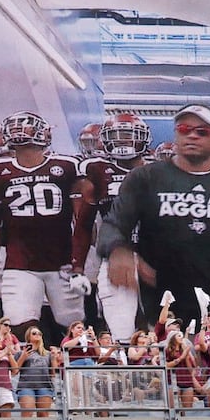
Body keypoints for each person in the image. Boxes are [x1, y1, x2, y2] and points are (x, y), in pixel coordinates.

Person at [98, 103, 210, 322]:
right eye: (184, 129)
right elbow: (113, 224)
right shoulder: (145, 178)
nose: (191, 136)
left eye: (201, 132)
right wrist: (119, 250)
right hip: (167, 298)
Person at [0, 111, 92, 338]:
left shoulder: (69, 166)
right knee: (20, 325)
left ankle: (76, 370)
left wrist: (80, 266)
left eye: (28, 127)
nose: (22, 131)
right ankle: (30, 372)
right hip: (20, 263)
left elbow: (83, 223)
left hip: (62, 261)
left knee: (73, 327)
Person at [77, 114, 152, 341]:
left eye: (128, 135)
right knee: (121, 331)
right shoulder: (97, 172)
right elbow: (84, 224)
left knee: (164, 328)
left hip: (156, 257)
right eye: (116, 137)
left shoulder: (159, 172)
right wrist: (79, 266)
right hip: (116, 258)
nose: (122, 142)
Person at [17, 326, 59, 418]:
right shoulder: (21, 353)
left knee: (43, 414)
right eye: (34, 333)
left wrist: (54, 358)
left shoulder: (47, 353)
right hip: (26, 386)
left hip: (44, 386)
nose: (37, 335)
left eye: (39, 334)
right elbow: (15, 370)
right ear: (28, 336)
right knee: (27, 412)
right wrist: (23, 356)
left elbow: (53, 373)